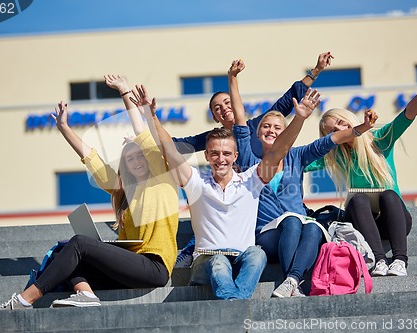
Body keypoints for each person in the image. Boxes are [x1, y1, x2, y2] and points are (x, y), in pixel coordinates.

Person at [0, 75, 179, 311]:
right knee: (61, 254)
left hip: (153, 266)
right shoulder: (125, 190)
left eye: (140, 156)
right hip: (131, 266)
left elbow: (143, 135)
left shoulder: (161, 180)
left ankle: (23, 301)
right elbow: (92, 159)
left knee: (79, 244)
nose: (136, 161)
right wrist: (65, 128)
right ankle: (86, 295)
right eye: (129, 158)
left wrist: (125, 92)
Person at [129, 84, 318, 300]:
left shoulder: (250, 181)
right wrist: (151, 117)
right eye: (215, 154)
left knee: (257, 254)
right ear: (207, 156)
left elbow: (278, 151)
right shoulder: (196, 181)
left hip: (242, 259)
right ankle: (236, 305)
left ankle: (233, 303)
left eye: (226, 153)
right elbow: (170, 151)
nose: (221, 159)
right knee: (219, 261)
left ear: (236, 156)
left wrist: (299, 119)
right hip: (207, 261)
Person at [228, 59, 377, 297]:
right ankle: (292, 279)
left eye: (277, 127)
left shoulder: (296, 156)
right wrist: (232, 78)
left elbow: (332, 140)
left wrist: (362, 127)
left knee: (314, 229)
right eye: (266, 127)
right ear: (258, 133)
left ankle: (291, 281)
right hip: (267, 236)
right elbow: (239, 117)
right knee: (293, 220)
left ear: (285, 132)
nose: (271, 131)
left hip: (300, 231)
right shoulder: (248, 158)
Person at [174, 52, 334, 267]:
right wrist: (145, 140)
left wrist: (315, 71)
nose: (223, 108)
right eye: (217, 108)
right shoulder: (214, 139)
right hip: (233, 196)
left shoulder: (257, 126)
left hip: (262, 196)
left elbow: (287, 102)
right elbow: (180, 144)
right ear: (214, 116)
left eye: (227, 102)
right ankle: (191, 249)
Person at [317, 62, 417, 277]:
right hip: (362, 224)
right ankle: (380, 260)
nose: (339, 130)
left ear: (349, 120)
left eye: (340, 123)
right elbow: (295, 160)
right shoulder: (334, 155)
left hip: (394, 219)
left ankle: (400, 260)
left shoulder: (379, 139)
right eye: (332, 131)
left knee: (389, 195)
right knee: (358, 199)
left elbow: (408, 114)